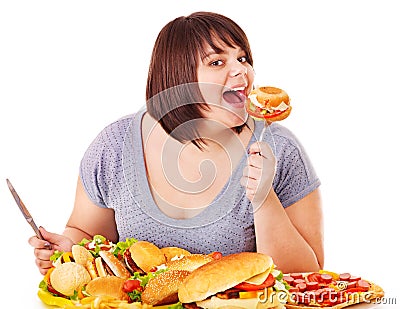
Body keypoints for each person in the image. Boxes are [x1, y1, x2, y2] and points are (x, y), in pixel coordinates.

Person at [29, 11, 324, 275]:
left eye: (243, 58)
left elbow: (309, 273)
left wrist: (264, 200)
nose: (241, 71)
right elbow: (87, 233)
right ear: (178, 79)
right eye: (217, 61)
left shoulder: (281, 149)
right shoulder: (114, 146)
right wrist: (68, 251)